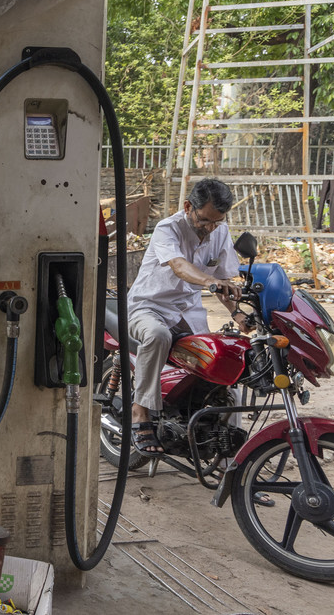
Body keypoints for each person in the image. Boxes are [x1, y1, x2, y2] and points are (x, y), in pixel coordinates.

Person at [126, 178, 252, 457]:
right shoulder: (167, 228)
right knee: (158, 335)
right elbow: (179, 266)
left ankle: (231, 460)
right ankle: (140, 411)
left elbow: (222, 281)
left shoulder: (220, 231)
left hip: (189, 312)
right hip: (149, 307)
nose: (210, 228)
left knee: (223, 366)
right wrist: (209, 280)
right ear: (188, 207)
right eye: (205, 220)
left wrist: (238, 312)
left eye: (217, 222)